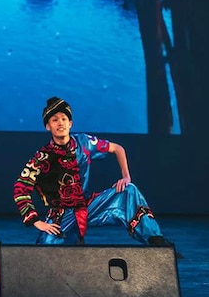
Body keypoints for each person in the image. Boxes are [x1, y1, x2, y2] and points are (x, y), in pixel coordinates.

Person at [13, 96, 174, 247]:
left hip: (89, 206)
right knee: (45, 254)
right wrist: (36, 221)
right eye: (55, 120)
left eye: (64, 119)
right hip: (61, 215)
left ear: (70, 123)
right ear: (48, 126)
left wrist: (126, 176)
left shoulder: (85, 142)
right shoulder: (42, 158)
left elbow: (117, 148)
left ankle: (156, 241)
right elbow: (20, 187)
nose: (60, 123)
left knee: (129, 191)